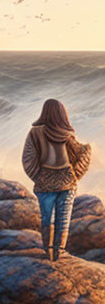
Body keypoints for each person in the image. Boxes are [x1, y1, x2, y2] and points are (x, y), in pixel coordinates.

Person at [22, 99, 92, 261]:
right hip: (67, 181)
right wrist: (76, 174)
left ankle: (48, 250)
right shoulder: (67, 134)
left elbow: (28, 159)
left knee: (48, 218)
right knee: (63, 217)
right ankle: (59, 252)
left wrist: (38, 177)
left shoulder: (35, 132)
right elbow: (83, 154)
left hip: (45, 182)